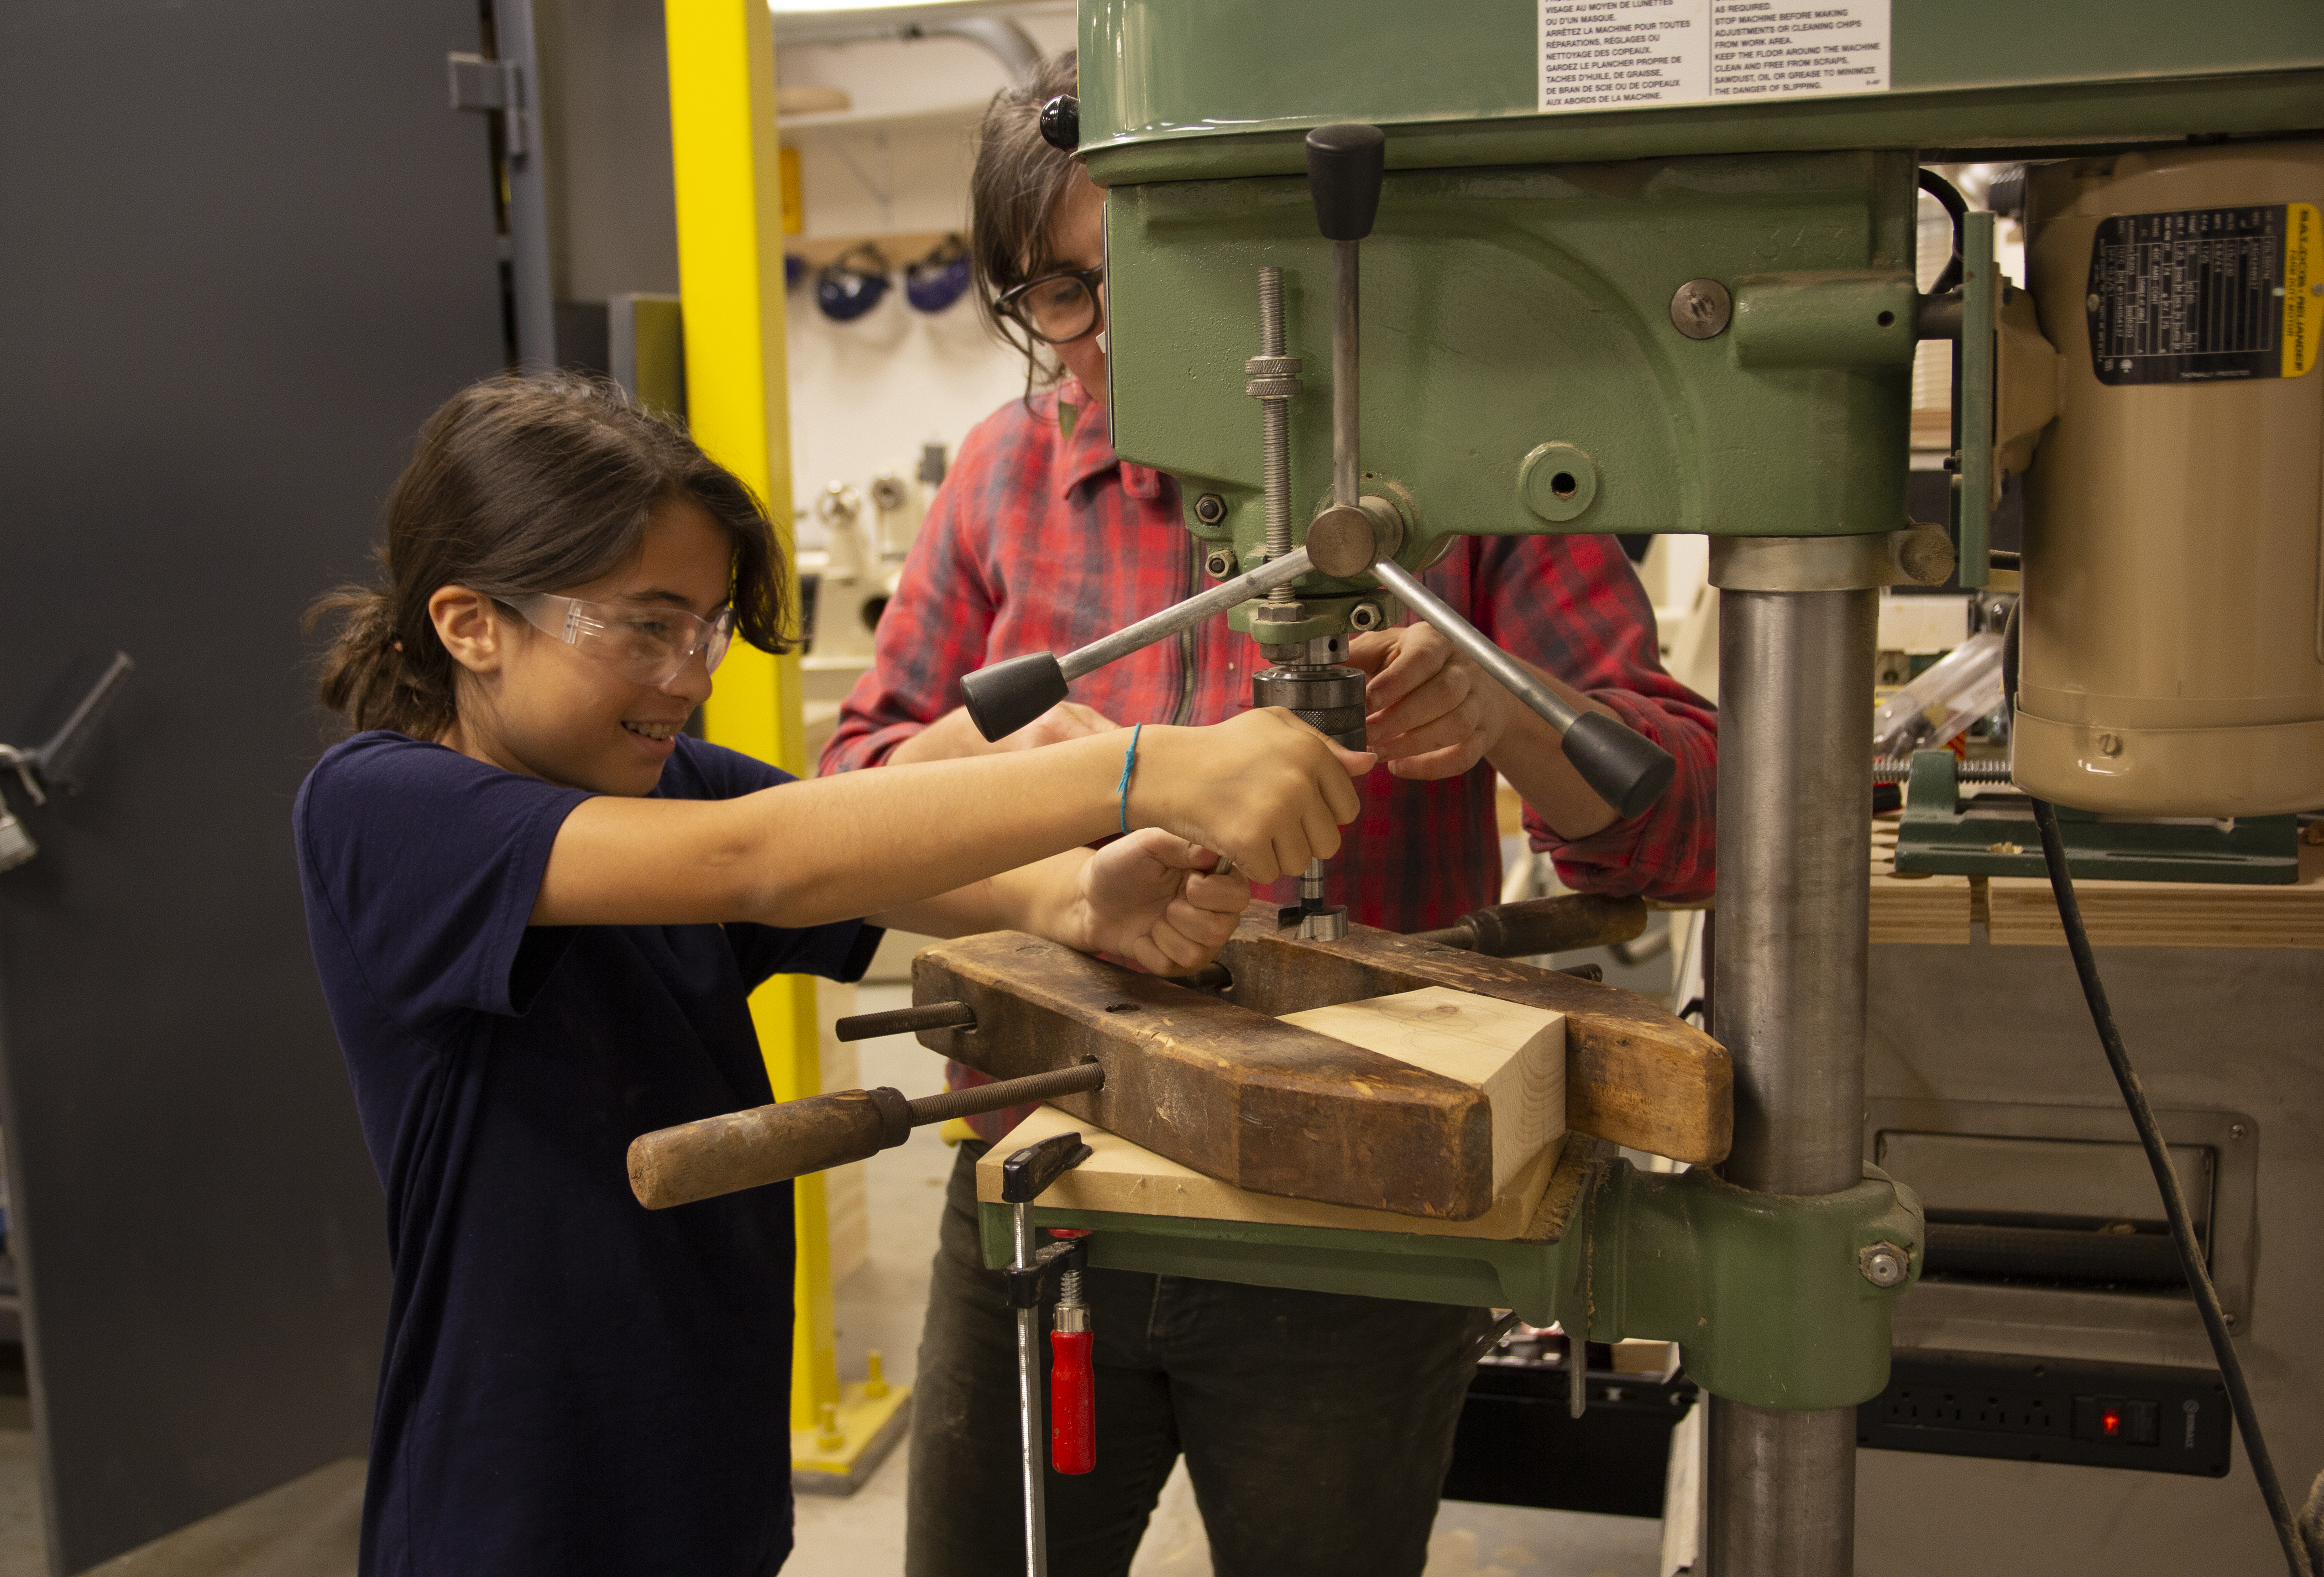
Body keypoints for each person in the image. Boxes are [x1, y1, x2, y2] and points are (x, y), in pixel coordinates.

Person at [821, 53, 1720, 1577]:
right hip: (1048, 1163)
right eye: (1059, 298)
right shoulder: (1000, 477)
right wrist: (1033, 797)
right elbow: (853, 801)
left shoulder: (1456, 488)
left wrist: (1507, 719)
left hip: (1359, 1200)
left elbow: (1690, 823)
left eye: (1149, 284)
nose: (1105, 341)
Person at [291, 374, 1373, 1577]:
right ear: (470, 622)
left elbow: (884, 855)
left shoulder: (671, 782)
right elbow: (768, 863)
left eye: (702, 628)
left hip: (705, 1459)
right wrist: (1140, 767)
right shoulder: (384, 809)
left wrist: (1085, 895)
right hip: (514, 1488)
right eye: (644, 626)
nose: (688, 673)